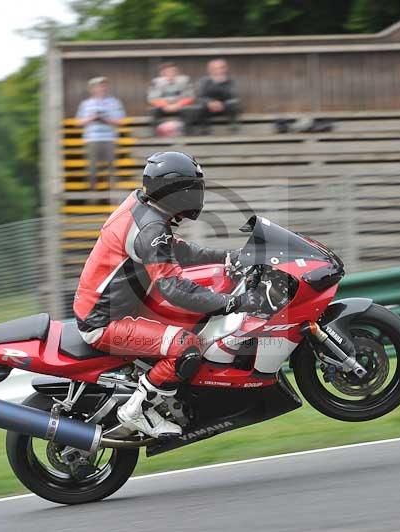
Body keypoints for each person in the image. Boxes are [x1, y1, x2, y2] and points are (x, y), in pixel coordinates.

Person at [72, 151, 264, 438]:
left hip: (117, 306)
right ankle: (135, 410)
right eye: (192, 188)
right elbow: (173, 288)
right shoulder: (150, 228)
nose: (197, 195)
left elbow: (177, 250)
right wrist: (231, 303)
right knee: (186, 346)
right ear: (173, 191)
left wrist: (228, 258)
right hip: (105, 321)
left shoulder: (144, 209)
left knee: (193, 318)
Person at [75, 77, 126, 190]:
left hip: (110, 138)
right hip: (91, 139)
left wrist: (105, 119)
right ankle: (92, 194)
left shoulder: (114, 102)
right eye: (98, 86)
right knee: (91, 167)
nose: (101, 88)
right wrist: (92, 117)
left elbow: (120, 121)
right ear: (91, 88)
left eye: (103, 85)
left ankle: (113, 192)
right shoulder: (86, 104)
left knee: (112, 166)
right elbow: (78, 122)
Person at [193, 58, 241, 134]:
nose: (219, 70)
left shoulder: (231, 81)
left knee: (233, 104)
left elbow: (234, 96)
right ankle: (205, 130)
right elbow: (199, 96)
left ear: (225, 69)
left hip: (226, 108)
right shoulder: (204, 81)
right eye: (215, 68)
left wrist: (221, 104)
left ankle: (233, 129)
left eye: (221, 68)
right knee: (199, 106)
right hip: (208, 109)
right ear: (210, 70)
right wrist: (209, 103)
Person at [147, 63, 195, 135]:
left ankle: (188, 137)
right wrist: (165, 105)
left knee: (189, 111)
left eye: (173, 71)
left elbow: (191, 97)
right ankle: (155, 138)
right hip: (163, 107)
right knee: (153, 111)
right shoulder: (156, 82)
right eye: (167, 71)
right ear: (162, 73)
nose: (171, 74)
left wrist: (178, 104)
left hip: (180, 107)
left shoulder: (185, 80)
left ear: (177, 72)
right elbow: (151, 99)